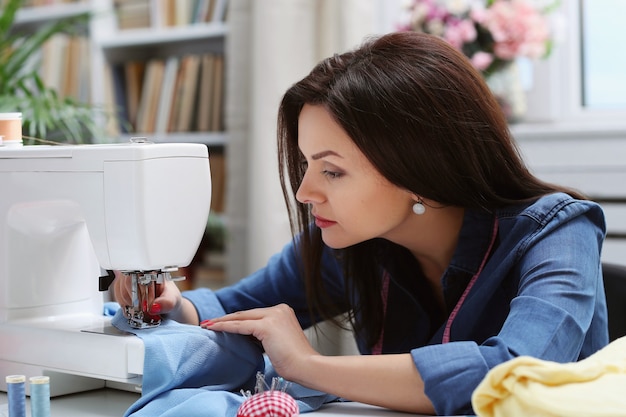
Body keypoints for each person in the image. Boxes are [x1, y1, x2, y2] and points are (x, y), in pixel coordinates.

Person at [113, 31, 608, 416]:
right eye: (305, 165)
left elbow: (513, 375)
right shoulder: (348, 242)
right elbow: (232, 309)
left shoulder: (559, 232)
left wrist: (309, 366)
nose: (305, 192)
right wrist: (171, 302)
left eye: (332, 170)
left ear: (418, 166)